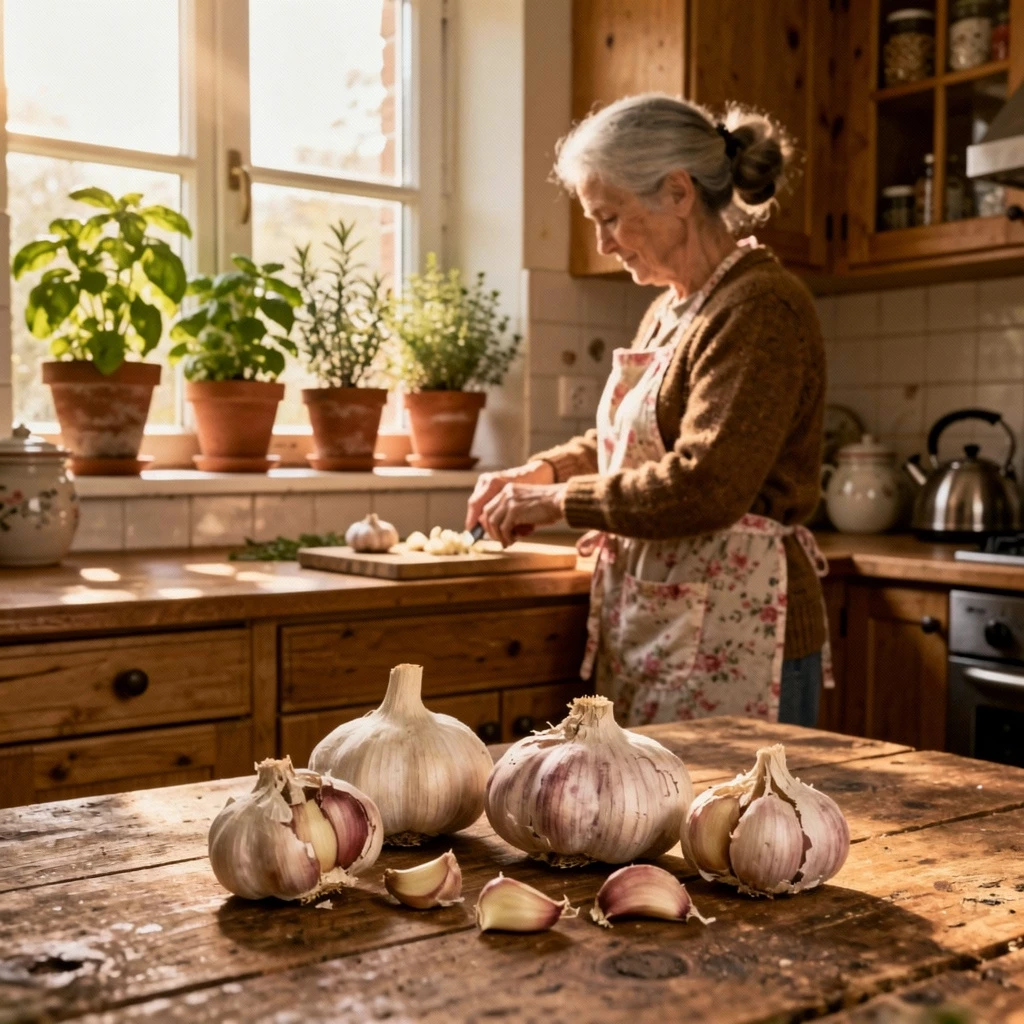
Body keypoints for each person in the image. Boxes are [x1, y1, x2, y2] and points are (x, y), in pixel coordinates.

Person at [466, 93, 829, 728]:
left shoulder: (761, 307)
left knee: (739, 826)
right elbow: (635, 442)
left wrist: (557, 503)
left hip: (744, 631)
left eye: (610, 217)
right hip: (663, 617)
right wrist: (543, 473)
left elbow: (704, 484)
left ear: (678, 192)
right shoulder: (673, 306)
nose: (603, 243)